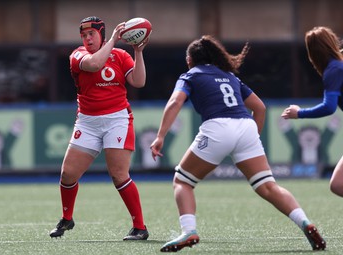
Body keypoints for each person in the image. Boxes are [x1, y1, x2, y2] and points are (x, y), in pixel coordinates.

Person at [150, 35, 326, 252]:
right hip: (245, 127)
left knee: (182, 182)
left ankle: (189, 231)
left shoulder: (190, 75)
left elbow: (175, 101)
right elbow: (260, 107)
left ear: (190, 59)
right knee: (268, 187)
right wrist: (253, 138)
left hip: (217, 128)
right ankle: (305, 222)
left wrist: (160, 136)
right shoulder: (229, 76)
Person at [49, 16, 150, 241]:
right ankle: (67, 218)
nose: (87, 39)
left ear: (100, 35)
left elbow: (139, 81)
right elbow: (94, 64)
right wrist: (114, 39)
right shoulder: (78, 55)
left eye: (91, 34)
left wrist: (138, 52)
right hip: (88, 121)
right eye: (84, 36)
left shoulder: (121, 56)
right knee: (67, 174)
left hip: (117, 119)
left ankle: (140, 227)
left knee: (119, 175)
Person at [282, 26, 343, 197]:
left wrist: (299, 113)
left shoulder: (334, 70)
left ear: (312, 53)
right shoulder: (338, 66)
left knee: (338, 184)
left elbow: (329, 107)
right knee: (338, 183)